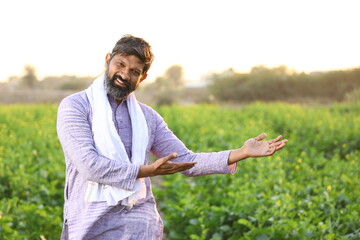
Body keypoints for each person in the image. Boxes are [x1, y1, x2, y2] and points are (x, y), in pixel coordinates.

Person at [56, 34, 288, 239]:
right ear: (108, 60)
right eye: (120, 64)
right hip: (90, 222)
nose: (124, 75)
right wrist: (147, 171)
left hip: (139, 224)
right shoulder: (76, 107)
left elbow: (185, 161)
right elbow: (90, 166)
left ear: (143, 77)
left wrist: (241, 152)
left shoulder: (147, 117)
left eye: (134, 71)